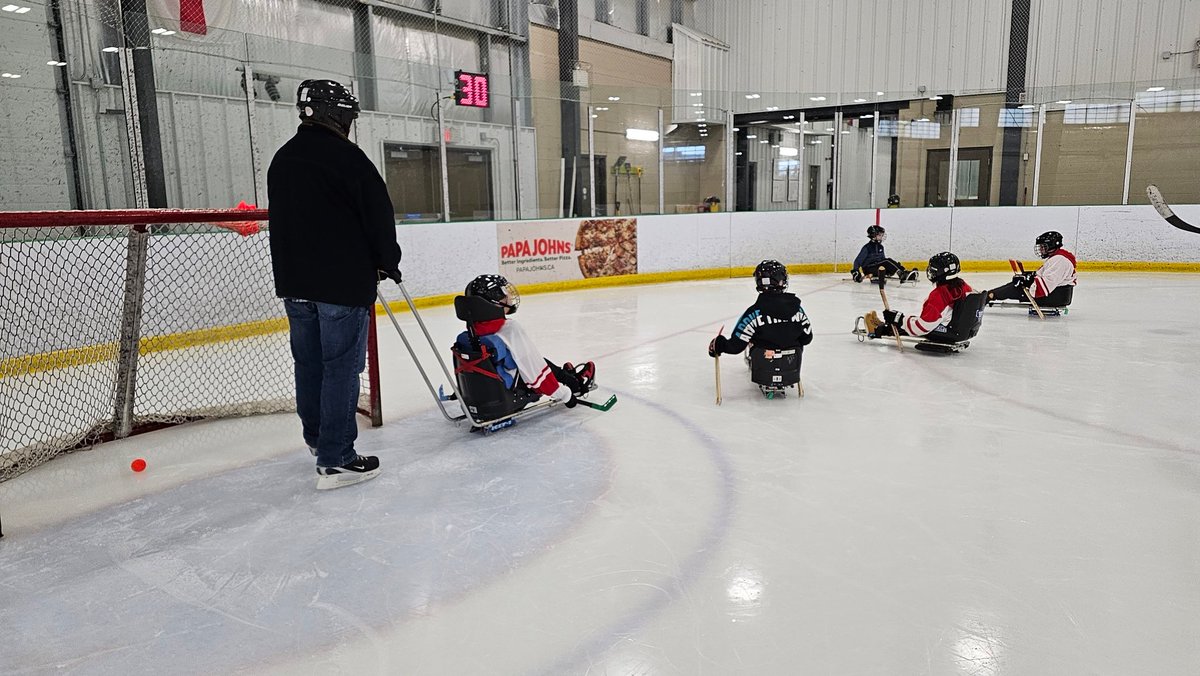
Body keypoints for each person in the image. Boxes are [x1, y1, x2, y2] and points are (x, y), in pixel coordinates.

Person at [268, 79, 402, 490]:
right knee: (341, 367)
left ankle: (316, 438)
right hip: (340, 285)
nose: (349, 122)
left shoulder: (283, 158)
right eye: (347, 114)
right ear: (335, 114)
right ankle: (337, 456)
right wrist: (387, 262)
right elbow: (378, 216)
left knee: (309, 364)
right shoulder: (349, 159)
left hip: (295, 284)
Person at [458, 274, 595, 407]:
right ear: (492, 302)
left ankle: (566, 376)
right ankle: (576, 383)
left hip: (487, 392)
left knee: (532, 358)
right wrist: (564, 394)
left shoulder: (473, 331)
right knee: (533, 359)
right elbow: (533, 368)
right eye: (504, 293)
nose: (508, 296)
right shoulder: (509, 329)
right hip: (513, 389)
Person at [707, 260, 813, 358]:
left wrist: (719, 344)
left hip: (762, 374)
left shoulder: (753, 314)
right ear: (782, 281)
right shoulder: (798, 310)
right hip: (791, 370)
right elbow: (807, 338)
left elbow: (735, 346)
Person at [864, 251, 973, 343]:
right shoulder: (964, 286)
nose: (930, 272)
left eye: (933, 270)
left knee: (907, 322)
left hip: (948, 332)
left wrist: (898, 319)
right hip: (962, 331)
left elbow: (922, 327)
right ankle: (885, 326)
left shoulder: (939, 295)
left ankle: (878, 329)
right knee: (911, 320)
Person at [988, 231, 1077, 305]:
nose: (1041, 250)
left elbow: (1045, 286)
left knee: (1016, 288)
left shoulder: (1059, 260)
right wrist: (1030, 276)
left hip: (1055, 298)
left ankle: (989, 296)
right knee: (1016, 285)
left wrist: (1028, 281)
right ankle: (990, 294)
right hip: (1057, 295)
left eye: (1043, 247)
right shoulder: (1058, 258)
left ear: (1052, 246)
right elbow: (1046, 276)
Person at [850, 225, 919, 283]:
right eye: (880, 235)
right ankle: (902, 275)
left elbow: (882, 260)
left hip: (878, 268)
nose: (882, 236)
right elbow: (857, 261)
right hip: (869, 269)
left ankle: (905, 273)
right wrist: (856, 273)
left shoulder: (880, 247)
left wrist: (889, 269)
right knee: (887, 261)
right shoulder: (867, 247)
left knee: (887, 261)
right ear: (874, 236)